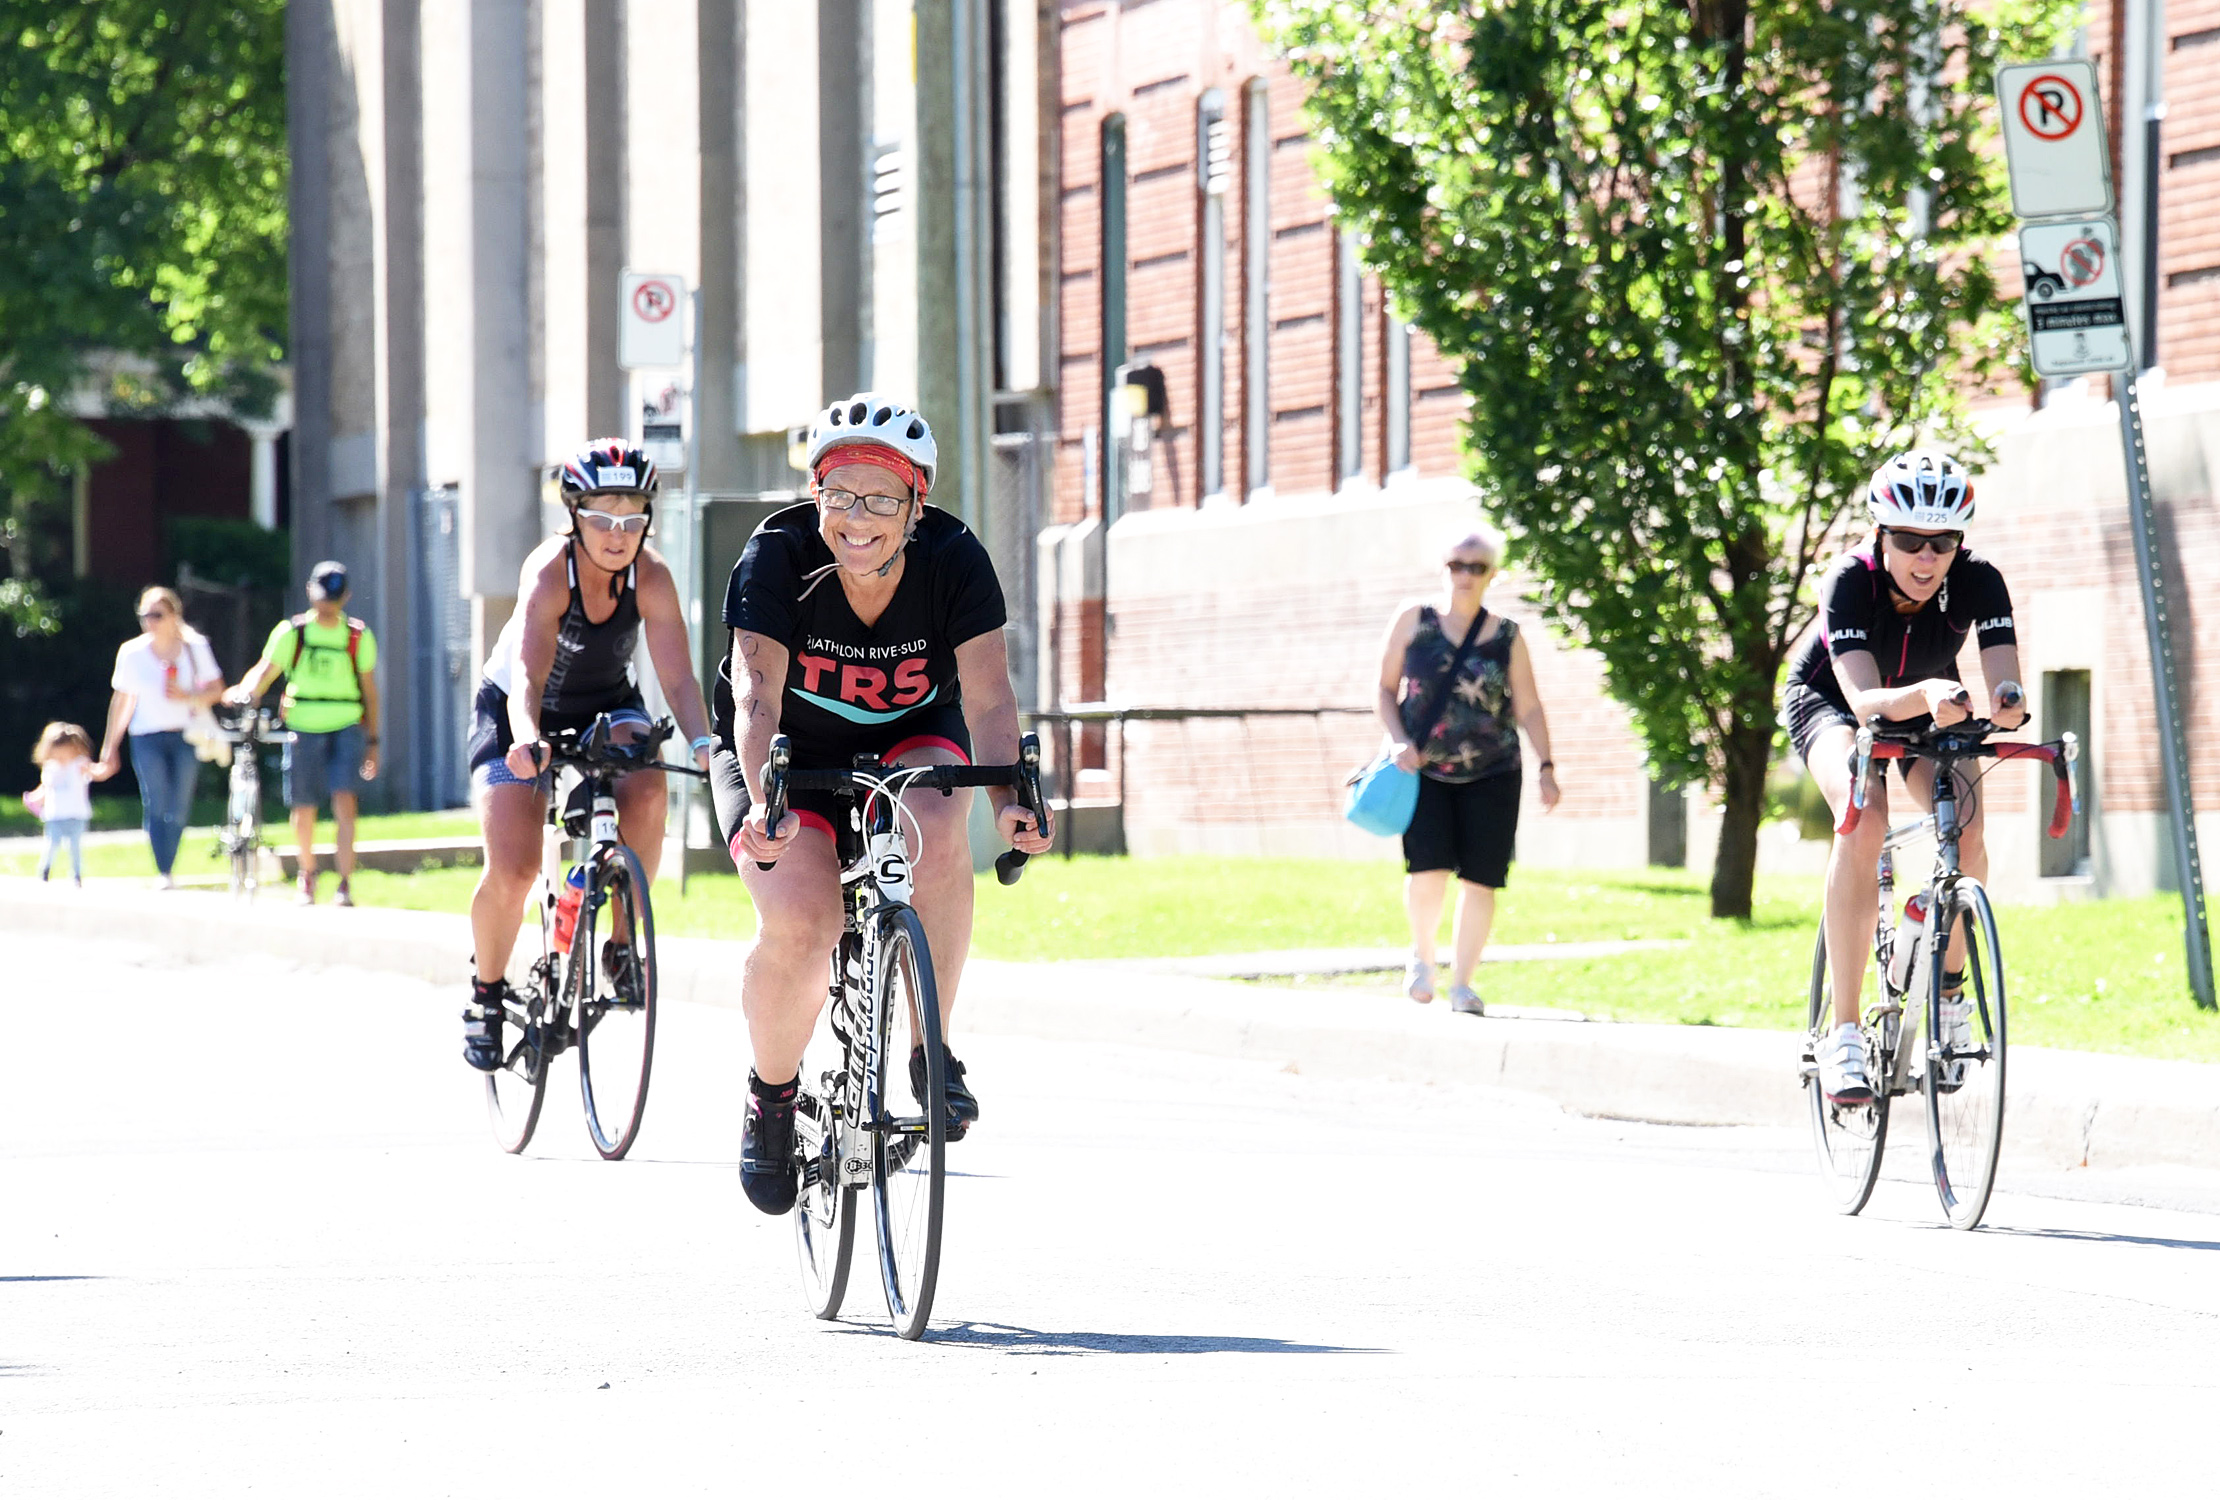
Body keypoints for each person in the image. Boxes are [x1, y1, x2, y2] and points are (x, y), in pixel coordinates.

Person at [715, 392, 1052, 1215]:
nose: (856, 518)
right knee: (802, 922)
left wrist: (1012, 794)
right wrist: (767, 802)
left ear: (916, 504)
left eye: (880, 498)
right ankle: (772, 1095)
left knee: (938, 827)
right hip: (785, 750)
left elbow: (990, 699)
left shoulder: (955, 558)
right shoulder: (776, 556)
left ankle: (928, 1051)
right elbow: (756, 698)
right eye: (839, 495)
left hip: (913, 732)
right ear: (815, 494)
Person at [461, 440, 717, 1070]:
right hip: (520, 708)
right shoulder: (551, 571)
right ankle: (486, 996)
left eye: (633, 519)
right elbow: (526, 675)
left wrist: (708, 743)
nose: (617, 533)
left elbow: (679, 681)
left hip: (607, 702)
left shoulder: (651, 576)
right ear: (574, 514)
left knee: (649, 785)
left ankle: (623, 945)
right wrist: (525, 736)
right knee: (515, 868)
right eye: (602, 516)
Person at [1782, 450, 2025, 1103]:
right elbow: (1864, 705)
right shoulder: (1848, 581)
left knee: (1969, 835)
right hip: (1834, 704)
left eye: (1942, 542)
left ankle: (1946, 992)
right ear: (1881, 535)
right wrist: (1930, 694)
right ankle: (1844, 1034)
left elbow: (2006, 678)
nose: (1927, 557)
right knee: (1864, 822)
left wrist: (2007, 699)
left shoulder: (1979, 581)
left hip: (1929, 705)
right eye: (1912, 540)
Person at [1374, 524, 1560, 1016]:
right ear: (1444, 568)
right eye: (1457, 565)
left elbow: (1530, 706)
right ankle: (1421, 958)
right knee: (1427, 870)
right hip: (1425, 771)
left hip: (1494, 771)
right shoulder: (1415, 621)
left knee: (1482, 879)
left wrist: (1547, 765)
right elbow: (1383, 690)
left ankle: (1463, 985)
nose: (1465, 575)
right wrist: (1397, 740)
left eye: (1476, 567)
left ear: (1491, 575)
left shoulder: (1506, 635)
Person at [225, 561, 381, 905]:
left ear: (346, 598)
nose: (328, 605)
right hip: (303, 727)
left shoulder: (357, 636)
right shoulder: (291, 633)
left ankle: (344, 882)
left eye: (334, 599)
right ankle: (307, 873)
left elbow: (369, 691)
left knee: (345, 801)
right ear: (310, 592)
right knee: (304, 804)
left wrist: (373, 740)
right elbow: (265, 671)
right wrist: (245, 692)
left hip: (345, 725)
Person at [96, 587, 225, 888]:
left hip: (187, 735)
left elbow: (217, 690)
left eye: (157, 615)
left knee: (178, 805)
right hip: (146, 736)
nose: (149, 621)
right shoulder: (132, 652)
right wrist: (110, 746)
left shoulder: (195, 647)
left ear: (174, 616)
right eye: (144, 615)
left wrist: (187, 696)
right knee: (156, 801)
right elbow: (123, 700)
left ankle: (169, 862)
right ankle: (164, 870)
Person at [26, 721, 95, 886]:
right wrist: (35, 798)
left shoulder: (80, 765)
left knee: (75, 847)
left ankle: (77, 874)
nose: (60, 759)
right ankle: (45, 871)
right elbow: (46, 788)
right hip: (55, 814)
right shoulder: (51, 768)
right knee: (51, 844)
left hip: (76, 813)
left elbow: (93, 772)